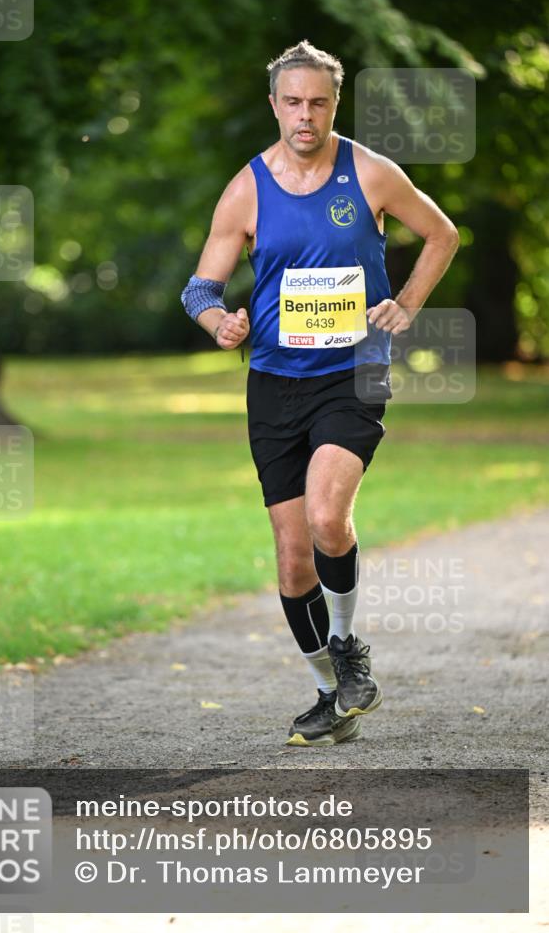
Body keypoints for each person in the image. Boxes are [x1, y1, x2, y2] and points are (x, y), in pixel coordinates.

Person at [181, 41, 459, 747]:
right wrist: (220, 321)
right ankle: (327, 692)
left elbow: (440, 234)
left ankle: (346, 647)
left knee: (327, 516)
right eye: (292, 102)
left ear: (335, 104)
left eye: (319, 103)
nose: (305, 116)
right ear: (273, 104)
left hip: (353, 370)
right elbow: (200, 287)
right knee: (290, 554)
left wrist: (405, 304)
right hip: (273, 381)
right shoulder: (246, 187)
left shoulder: (368, 172)